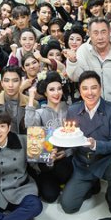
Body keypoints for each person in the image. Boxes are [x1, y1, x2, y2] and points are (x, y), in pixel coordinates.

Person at [60, 71, 111, 214]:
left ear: (100, 88)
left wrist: (95, 144)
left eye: (94, 87)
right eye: (85, 88)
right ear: (79, 91)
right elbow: (70, 137)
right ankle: (92, 184)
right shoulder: (73, 110)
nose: (90, 93)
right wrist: (63, 151)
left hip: (106, 161)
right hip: (83, 164)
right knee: (69, 206)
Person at [25, 71, 73, 203]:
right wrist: (31, 98)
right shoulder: (39, 113)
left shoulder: (69, 109)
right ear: (45, 93)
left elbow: (76, 137)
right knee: (50, 196)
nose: (56, 93)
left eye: (59, 89)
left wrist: (67, 152)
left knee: (65, 171)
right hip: (45, 162)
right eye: (51, 89)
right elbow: (30, 125)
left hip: (66, 159)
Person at [66, 17, 111, 105]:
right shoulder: (83, 50)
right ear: (89, 34)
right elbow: (75, 77)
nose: (100, 37)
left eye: (103, 32)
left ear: (109, 32)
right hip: (92, 106)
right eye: (95, 33)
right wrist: (72, 62)